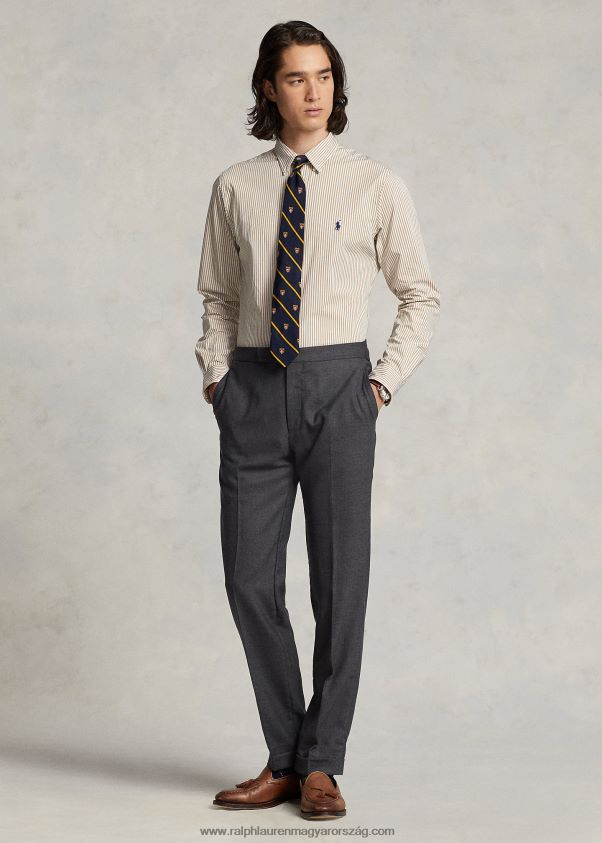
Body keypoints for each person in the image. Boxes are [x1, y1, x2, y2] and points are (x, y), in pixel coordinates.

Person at [195, 20, 441, 820]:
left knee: (340, 584)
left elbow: (420, 294)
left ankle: (320, 762)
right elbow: (219, 296)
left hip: (340, 389)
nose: (314, 92)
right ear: (269, 89)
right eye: (296, 78)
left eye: (325, 75)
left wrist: (380, 384)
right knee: (248, 579)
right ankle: (287, 755)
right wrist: (219, 379)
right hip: (254, 390)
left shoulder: (376, 183)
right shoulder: (236, 186)